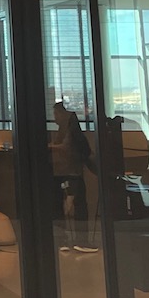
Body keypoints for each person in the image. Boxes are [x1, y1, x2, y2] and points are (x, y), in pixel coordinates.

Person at [50, 100, 96, 253]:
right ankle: (81, 240)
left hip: (65, 170)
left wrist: (49, 146)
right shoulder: (68, 126)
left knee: (63, 206)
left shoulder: (66, 127)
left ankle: (63, 240)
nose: (54, 117)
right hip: (72, 171)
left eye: (55, 114)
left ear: (61, 114)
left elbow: (65, 147)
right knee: (77, 205)